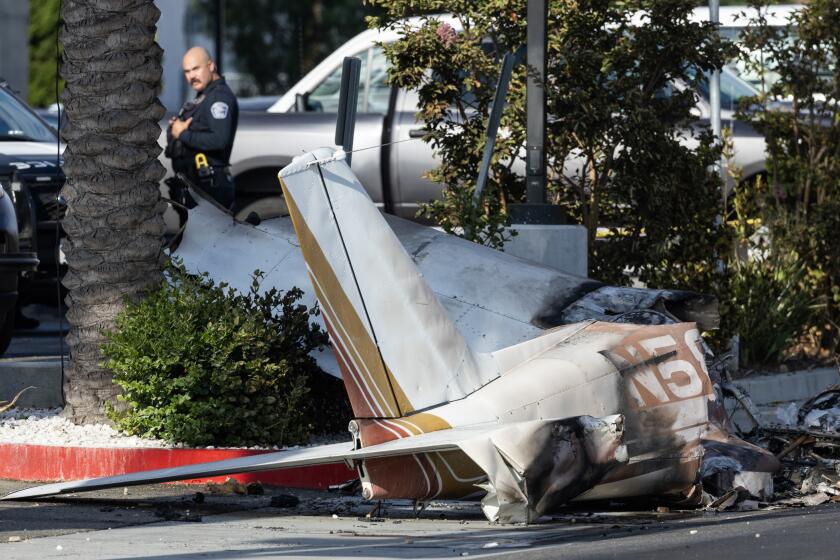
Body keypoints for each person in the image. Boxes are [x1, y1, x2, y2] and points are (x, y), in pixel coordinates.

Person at [165, 47, 238, 210]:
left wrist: (182, 133)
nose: (191, 76)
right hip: (196, 184)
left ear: (211, 66)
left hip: (209, 185)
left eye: (196, 69)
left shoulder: (219, 97)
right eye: (187, 71)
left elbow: (219, 140)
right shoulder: (204, 96)